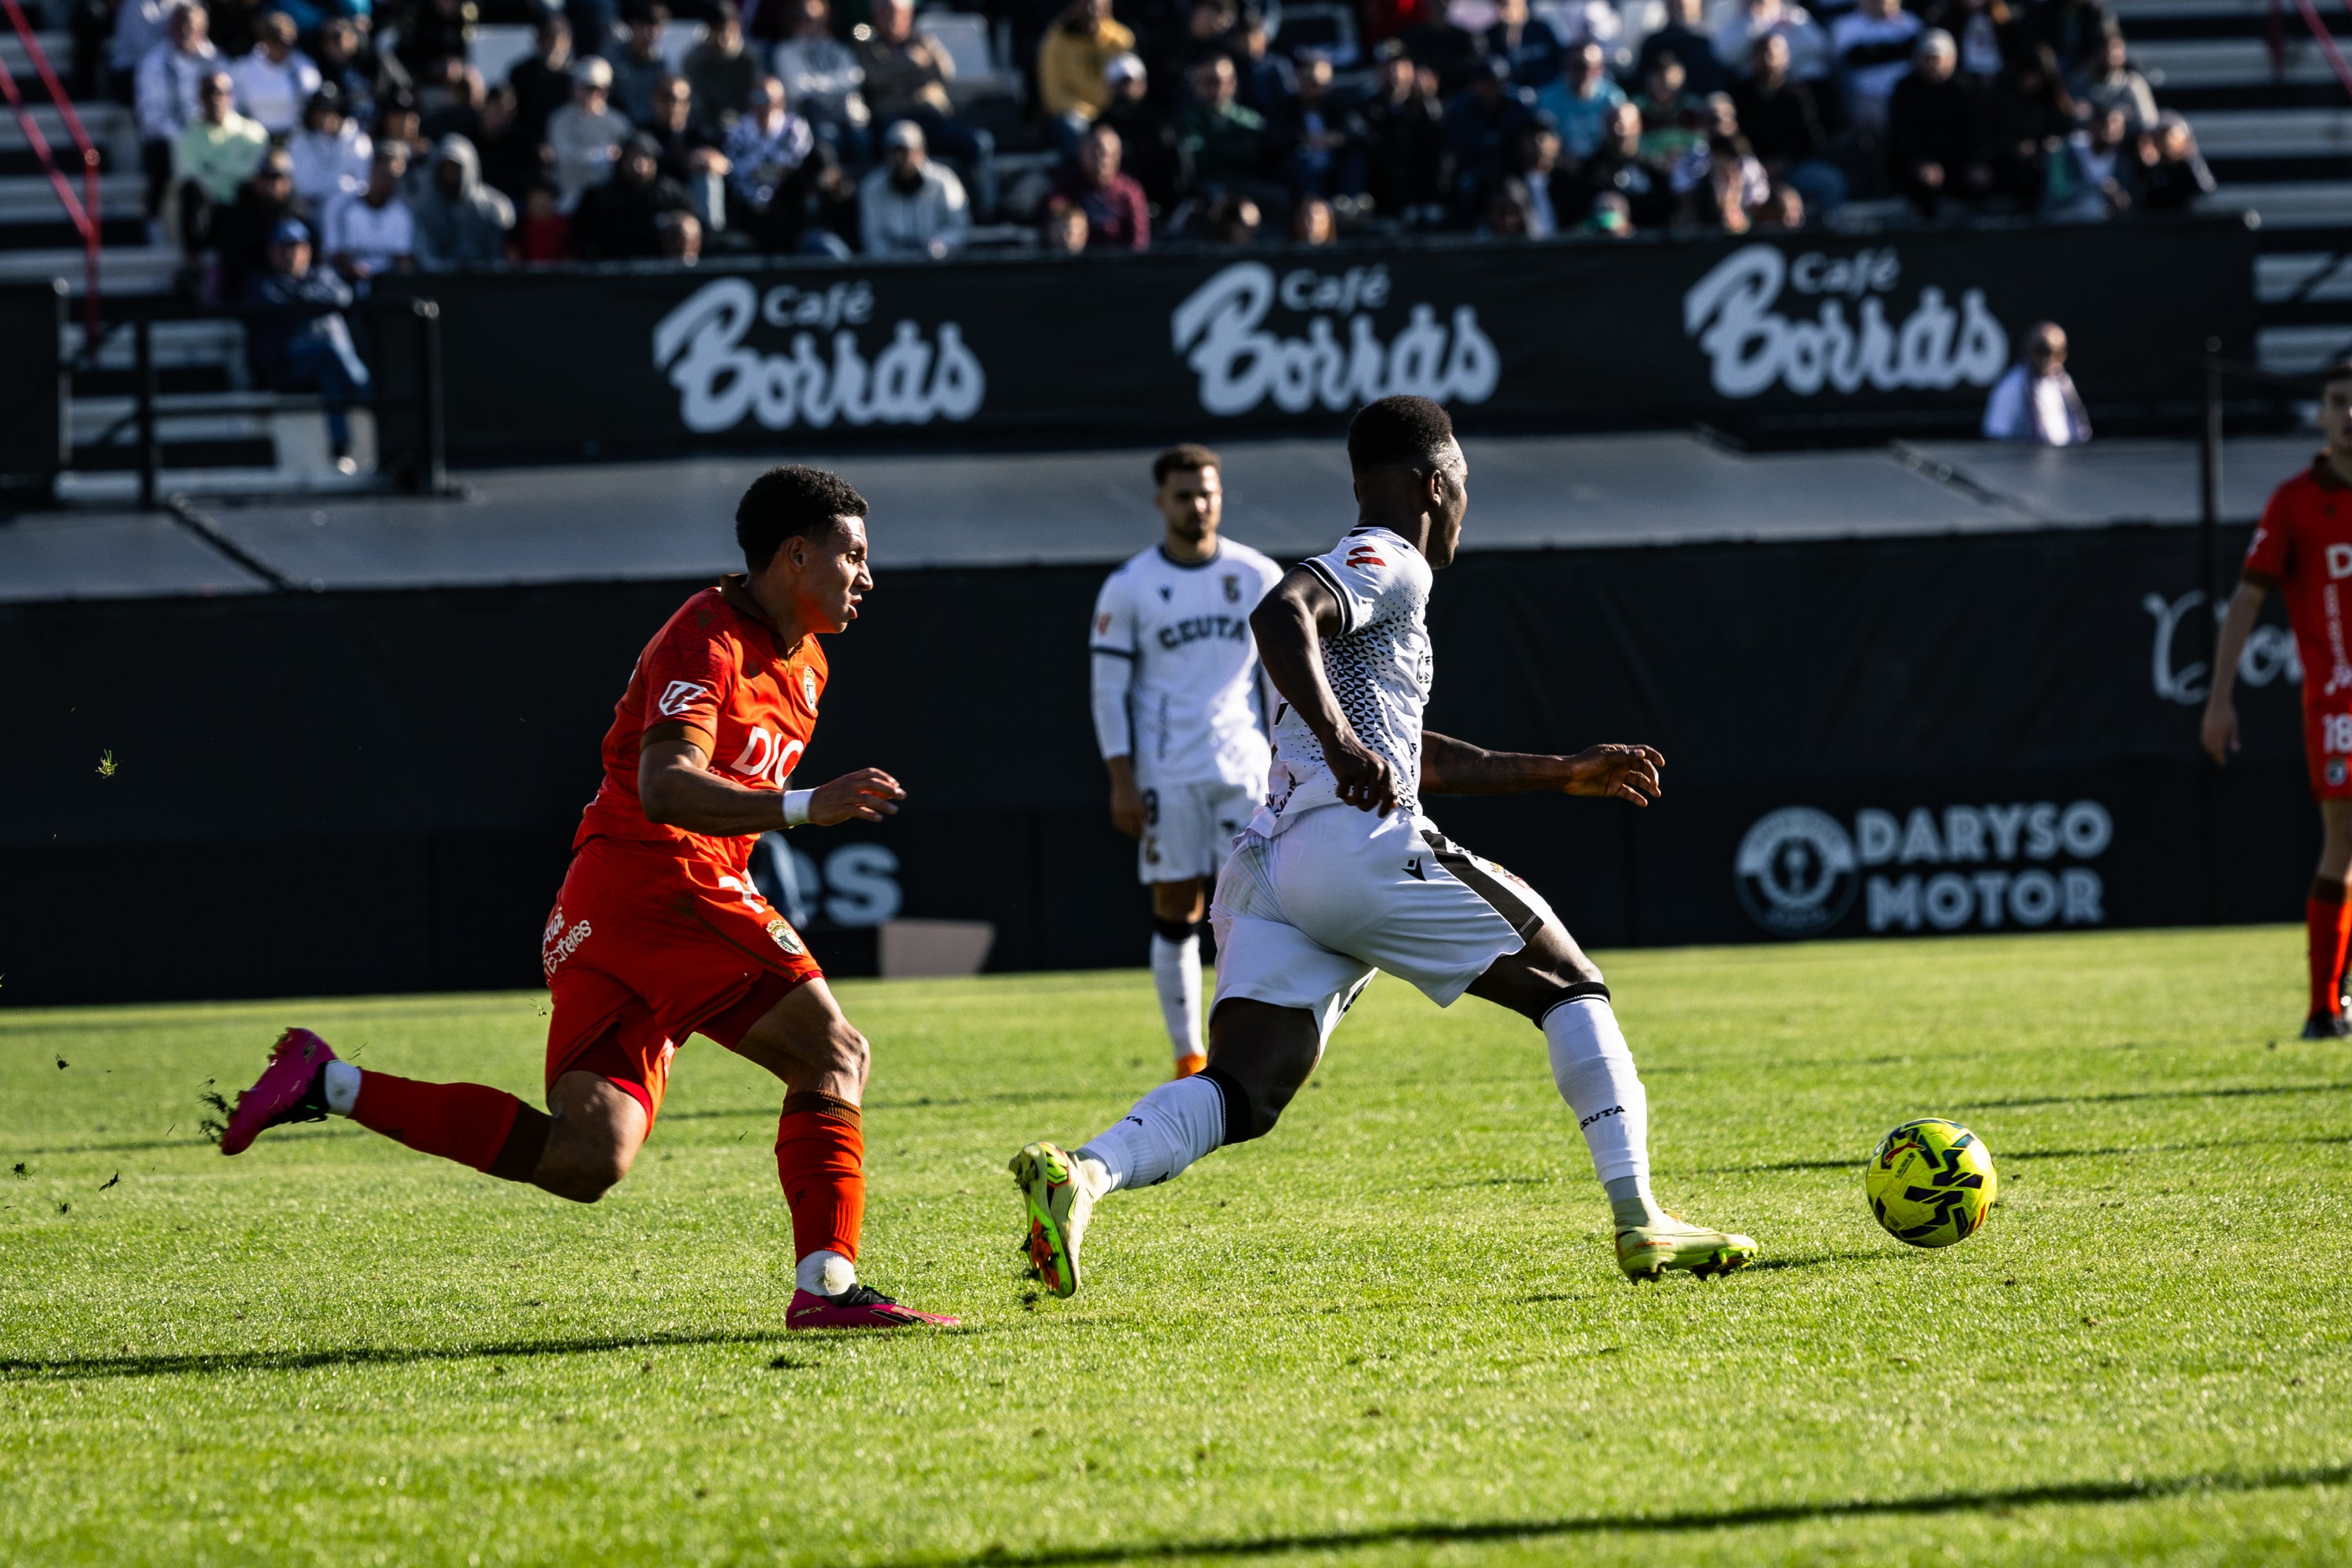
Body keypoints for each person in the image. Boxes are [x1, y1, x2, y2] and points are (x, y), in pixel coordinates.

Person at [1013, 397, 1759, 1298]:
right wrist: (1338, 742)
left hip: (1271, 864)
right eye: (1464, 485)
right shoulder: (1390, 557)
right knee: (1568, 981)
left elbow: (1412, 752)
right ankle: (1641, 1216)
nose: (1466, 505)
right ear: (1436, 485)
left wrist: (1558, 770)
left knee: (1246, 1088)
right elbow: (1280, 613)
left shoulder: (1379, 589)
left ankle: (1085, 1175)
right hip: (1350, 844)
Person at [219, 466, 960, 1332]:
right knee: (834, 1053)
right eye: (852, 555)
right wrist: (804, 806)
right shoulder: (707, 637)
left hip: (609, 904)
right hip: (660, 882)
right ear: (795, 555)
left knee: (585, 1156)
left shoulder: (809, 665)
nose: (866, 575)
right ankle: (828, 1288)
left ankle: (326, 1081)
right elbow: (665, 786)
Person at [1089, 447, 1283, 1077]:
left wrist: (1286, 762)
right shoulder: (1130, 585)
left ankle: (1242, 1047)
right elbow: (1107, 693)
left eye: (1207, 493)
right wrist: (1122, 780)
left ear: (1220, 496)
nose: (1197, 506)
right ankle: (1187, 1052)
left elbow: (1281, 684)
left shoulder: (1258, 575)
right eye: (1183, 495)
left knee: (1249, 912)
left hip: (1243, 770)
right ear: (1160, 503)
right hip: (1165, 774)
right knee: (1177, 905)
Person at [2204, 356, 2352, 1039]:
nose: (2349, 414)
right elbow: (2247, 599)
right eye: (2337, 402)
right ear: (2319, 416)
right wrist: (2220, 697)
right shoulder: (2295, 501)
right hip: (2339, 703)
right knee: (2341, 841)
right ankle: (2323, 1008)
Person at [240, 219, 369, 467]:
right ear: (271, 251)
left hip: (325, 364)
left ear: (307, 250)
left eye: (296, 247)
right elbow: (279, 307)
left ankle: (340, 448)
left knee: (329, 373)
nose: (291, 254)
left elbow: (343, 297)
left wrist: (304, 299)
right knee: (330, 350)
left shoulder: (323, 274)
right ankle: (366, 391)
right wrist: (313, 301)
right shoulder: (262, 282)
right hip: (287, 365)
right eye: (284, 248)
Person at [1733, 32, 1841, 212]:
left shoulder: (1798, 94)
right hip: (1750, 170)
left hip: (1791, 167)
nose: (1767, 60)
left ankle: (1817, 228)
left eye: (1773, 55)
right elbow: (1735, 135)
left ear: (1785, 58)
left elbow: (1810, 137)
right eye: (1761, 54)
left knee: (1830, 183)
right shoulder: (1739, 95)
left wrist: (1782, 163)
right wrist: (1757, 164)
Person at [136, 2, 221, 228]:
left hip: (209, 136)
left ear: (202, 30)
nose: (184, 31)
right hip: (169, 139)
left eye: (190, 26)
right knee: (163, 160)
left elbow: (229, 103)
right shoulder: (153, 63)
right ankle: (153, 223)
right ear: (170, 28)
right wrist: (186, 139)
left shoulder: (216, 61)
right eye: (179, 25)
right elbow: (151, 116)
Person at [1886, 30, 1988, 216]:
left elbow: (1978, 129)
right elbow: (1902, 132)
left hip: (1960, 162)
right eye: (1927, 59)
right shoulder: (1905, 90)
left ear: (1952, 59)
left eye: (1937, 59)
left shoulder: (1968, 88)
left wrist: (1977, 161)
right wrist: (1919, 162)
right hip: (1918, 163)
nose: (1933, 65)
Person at [173, 69, 269, 256]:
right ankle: (194, 259)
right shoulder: (186, 136)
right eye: (208, 92)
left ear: (231, 96)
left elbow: (254, 173)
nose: (215, 99)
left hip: (241, 207)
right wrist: (233, 172)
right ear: (200, 98)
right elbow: (187, 176)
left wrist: (213, 168)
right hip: (210, 210)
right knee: (192, 191)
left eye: (220, 92)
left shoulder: (252, 132)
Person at [1357, 42, 1449, 225]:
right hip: (1386, 188)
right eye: (1387, 66)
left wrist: (1427, 99)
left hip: (1424, 183)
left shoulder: (1424, 105)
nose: (1394, 71)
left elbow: (1439, 137)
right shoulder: (1370, 107)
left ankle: (1431, 202)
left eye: (1399, 65)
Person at [724, 75, 818, 248]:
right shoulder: (737, 131)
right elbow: (735, 171)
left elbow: (794, 166)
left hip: (786, 202)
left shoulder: (796, 128)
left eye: (768, 99)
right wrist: (757, 197)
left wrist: (767, 173)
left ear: (782, 103)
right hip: (749, 205)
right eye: (757, 98)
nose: (763, 105)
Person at [859, 118, 969, 256]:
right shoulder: (872, 187)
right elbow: (873, 237)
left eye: (906, 152)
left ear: (921, 151)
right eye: (895, 152)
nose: (900, 159)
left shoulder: (945, 180)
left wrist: (940, 245)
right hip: (892, 263)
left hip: (939, 263)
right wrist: (892, 259)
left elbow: (959, 227)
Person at [572, 132, 693, 256]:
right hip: (613, 261)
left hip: (662, 261)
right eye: (631, 158)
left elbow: (694, 223)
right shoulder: (600, 197)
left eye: (644, 158)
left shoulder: (670, 192)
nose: (637, 165)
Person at [775, 0, 869, 157]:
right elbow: (797, 88)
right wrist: (837, 83)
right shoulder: (785, 51)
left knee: (862, 138)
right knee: (829, 138)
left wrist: (815, 83)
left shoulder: (838, 48)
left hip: (848, 118)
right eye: (803, 18)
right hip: (811, 120)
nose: (809, 24)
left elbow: (856, 77)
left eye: (816, 19)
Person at [413, 133, 515, 270]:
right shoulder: (427, 211)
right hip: (442, 281)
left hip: (488, 280)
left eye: (456, 167)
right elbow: (427, 258)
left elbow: (500, 257)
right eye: (446, 167)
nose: (451, 173)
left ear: (469, 168)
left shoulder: (495, 208)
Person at [645, 74, 732, 232]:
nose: (674, 105)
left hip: (694, 202)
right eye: (667, 98)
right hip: (660, 203)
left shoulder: (700, 133)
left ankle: (712, 234)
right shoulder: (645, 133)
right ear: (655, 100)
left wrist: (721, 164)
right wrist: (684, 162)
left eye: (681, 100)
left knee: (708, 176)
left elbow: (722, 162)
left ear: (688, 104)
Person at [1980, 319, 2088, 444]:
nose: (2049, 358)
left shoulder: (2064, 381)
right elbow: (1996, 435)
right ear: (2028, 350)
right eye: (2042, 351)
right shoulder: (2011, 386)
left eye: (2057, 352)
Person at [1038, 0, 1135, 139]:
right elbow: (1054, 96)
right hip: (1075, 115)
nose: (1091, 12)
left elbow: (1133, 85)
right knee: (1077, 130)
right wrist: (1089, 114)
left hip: (1114, 113)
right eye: (1086, 5)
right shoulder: (1056, 40)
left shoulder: (1121, 39)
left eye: (1097, 6)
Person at [322, 142, 416, 281]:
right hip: (347, 280)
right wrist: (356, 273)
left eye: (397, 177)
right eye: (386, 174)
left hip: (388, 283)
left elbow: (403, 258)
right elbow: (336, 255)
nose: (391, 182)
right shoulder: (340, 205)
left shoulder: (403, 214)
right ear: (372, 171)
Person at [550, 56, 633, 208]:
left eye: (597, 89)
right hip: (570, 197)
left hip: (608, 200)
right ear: (574, 87)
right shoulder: (559, 121)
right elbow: (565, 157)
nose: (592, 94)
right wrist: (602, 156)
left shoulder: (619, 123)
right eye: (586, 87)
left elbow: (627, 158)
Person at [1831, 0, 1923, 134]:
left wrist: (1876, 51)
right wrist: (1901, 48)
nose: (1881, 3)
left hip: (1907, 97)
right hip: (1865, 98)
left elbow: (1919, 54)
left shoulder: (1910, 22)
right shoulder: (1845, 25)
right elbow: (1855, 58)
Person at [1058, 122, 1149, 250]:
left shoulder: (1130, 191)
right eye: (1094, 151)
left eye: (1105, 152)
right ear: (1082, 152)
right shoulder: (1068, 186)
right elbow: (1054, 216)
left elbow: (1139, 239)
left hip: (1119, 258)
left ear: (1117, 155)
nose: (1100, 158)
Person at [227, 11, 321, 136]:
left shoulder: (305, 67)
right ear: (263, 39)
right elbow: (234, 109)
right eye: (275, 39)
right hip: (254, 139)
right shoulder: (243, 69)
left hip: (296, 139)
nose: (280, 46)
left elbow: (314, 108)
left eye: (286, 42)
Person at [1535, 42, 1625, 165]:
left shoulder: (1613, 98)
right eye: (1577, 66)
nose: (1583, 73)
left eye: (1588, 66)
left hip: (1602, 164)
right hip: (1561, 165)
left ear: (1599, 69)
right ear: (1566, 67)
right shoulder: (1548, 98)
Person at [288, 85, 372, 215]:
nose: (325, 118)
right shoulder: (300, 141)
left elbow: (363, 184)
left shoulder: (358, 140)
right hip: (309, 209)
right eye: (320, 112)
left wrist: (340, 191)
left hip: (349, 210)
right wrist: (340, 184)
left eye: (330, 112)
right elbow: (303, 186)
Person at [684, 0, 762, 127]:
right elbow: (695, 104)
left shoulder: (751, 59)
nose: (723, 37)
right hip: (707, 124)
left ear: (737, 27)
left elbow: (756, 100)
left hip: (745, 125)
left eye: (727, 29)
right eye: (717, 30)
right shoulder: (695, 60)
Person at [509, 14, 579, 143]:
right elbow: (515, 115)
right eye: (546, 39)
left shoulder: (576, 77)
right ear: (537, 40)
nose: (551, 47)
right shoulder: (521, 73)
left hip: (568, 142)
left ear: (568, 42)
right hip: (526, 143)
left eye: (556, 41)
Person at [1639, 0, 1730, 96]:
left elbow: (1719, 84)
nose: (1681, 2)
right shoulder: (1654, 42)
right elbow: (1640, 82)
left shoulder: (1712, 42)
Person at [2135, 111, 2214, 212]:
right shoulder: (2154, 168)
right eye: (2162, 136)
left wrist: (2188, 159)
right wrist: (2148, 165)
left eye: (2171, 136)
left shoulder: (2189, 164)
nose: (2166, 141)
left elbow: (2205, 189)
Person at [1483, 0, 1566, 89]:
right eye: (1501, 5)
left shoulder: (1541, 28)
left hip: (1549, 87)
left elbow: (1560, 59)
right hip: (1514, 91)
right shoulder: (1492, 35)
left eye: (1508, 4)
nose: (1505, 10)